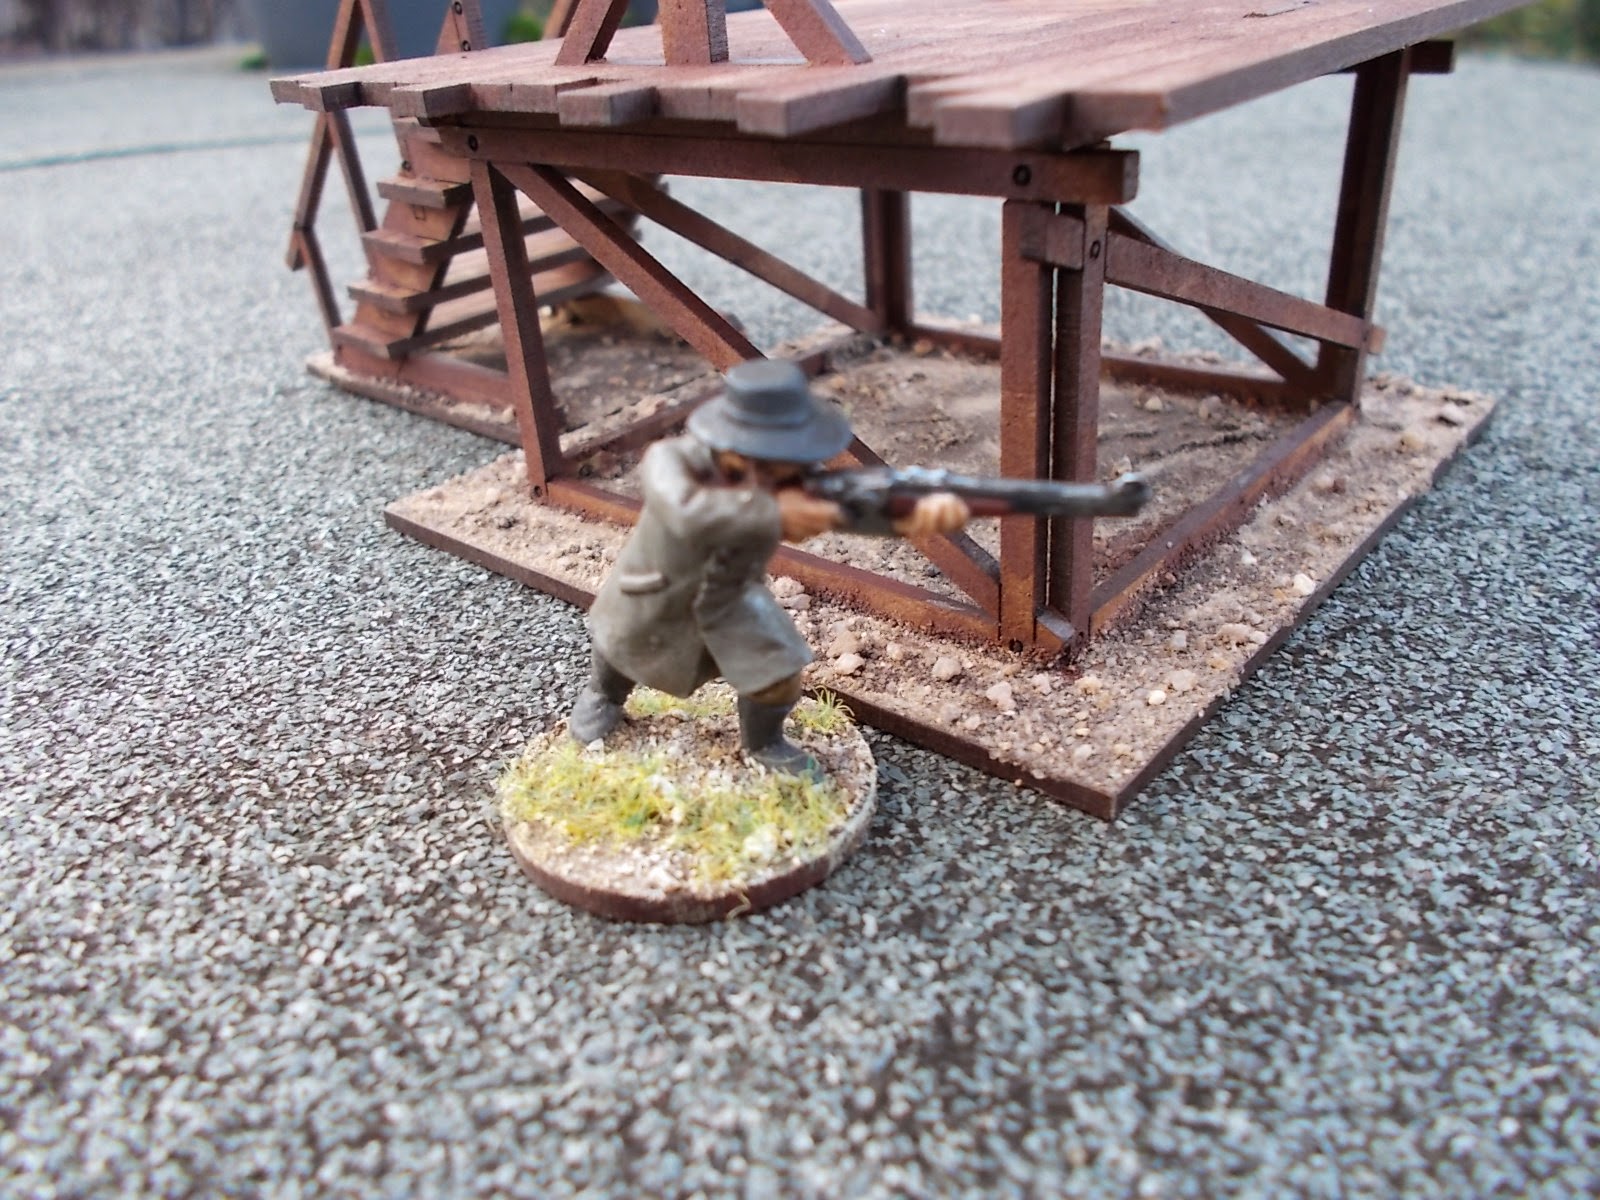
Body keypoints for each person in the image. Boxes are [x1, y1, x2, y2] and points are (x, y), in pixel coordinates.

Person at [567, 359, 969, 778]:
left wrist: (908, 516)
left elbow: (849, 507)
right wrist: (773, 511)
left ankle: (763, 743)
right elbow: (686, 512)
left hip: (732, 596)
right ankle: (603, 694)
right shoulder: (672, 459)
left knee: (778, 671)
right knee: (620, 644)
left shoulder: (788, 478)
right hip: (657, 585)